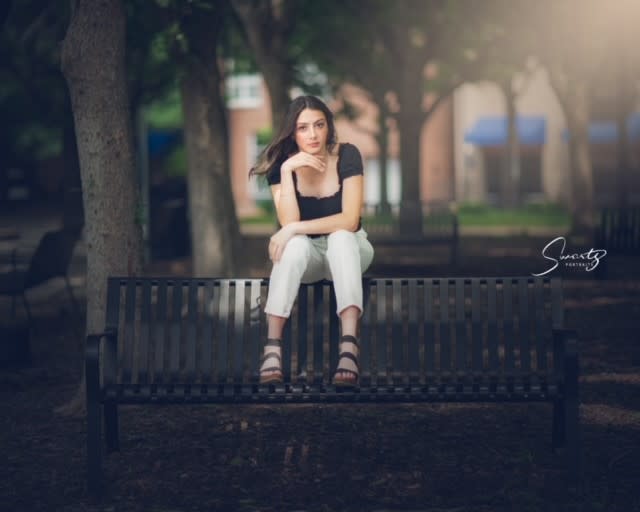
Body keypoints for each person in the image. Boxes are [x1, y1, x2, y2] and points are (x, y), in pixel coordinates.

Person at [249, 95, 374, 387]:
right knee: (294, 245)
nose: (313, 134)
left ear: (328, 126)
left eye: (319, 125)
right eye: (303, 127)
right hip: (310, 259)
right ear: (292, 132)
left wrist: (292, 229)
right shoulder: (282, 165)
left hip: (352, 249)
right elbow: (289, 223)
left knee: (340, 237)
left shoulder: (347, 155)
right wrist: (286, 171)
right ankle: (272, 350)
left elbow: (349, 220)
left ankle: (348, 348)